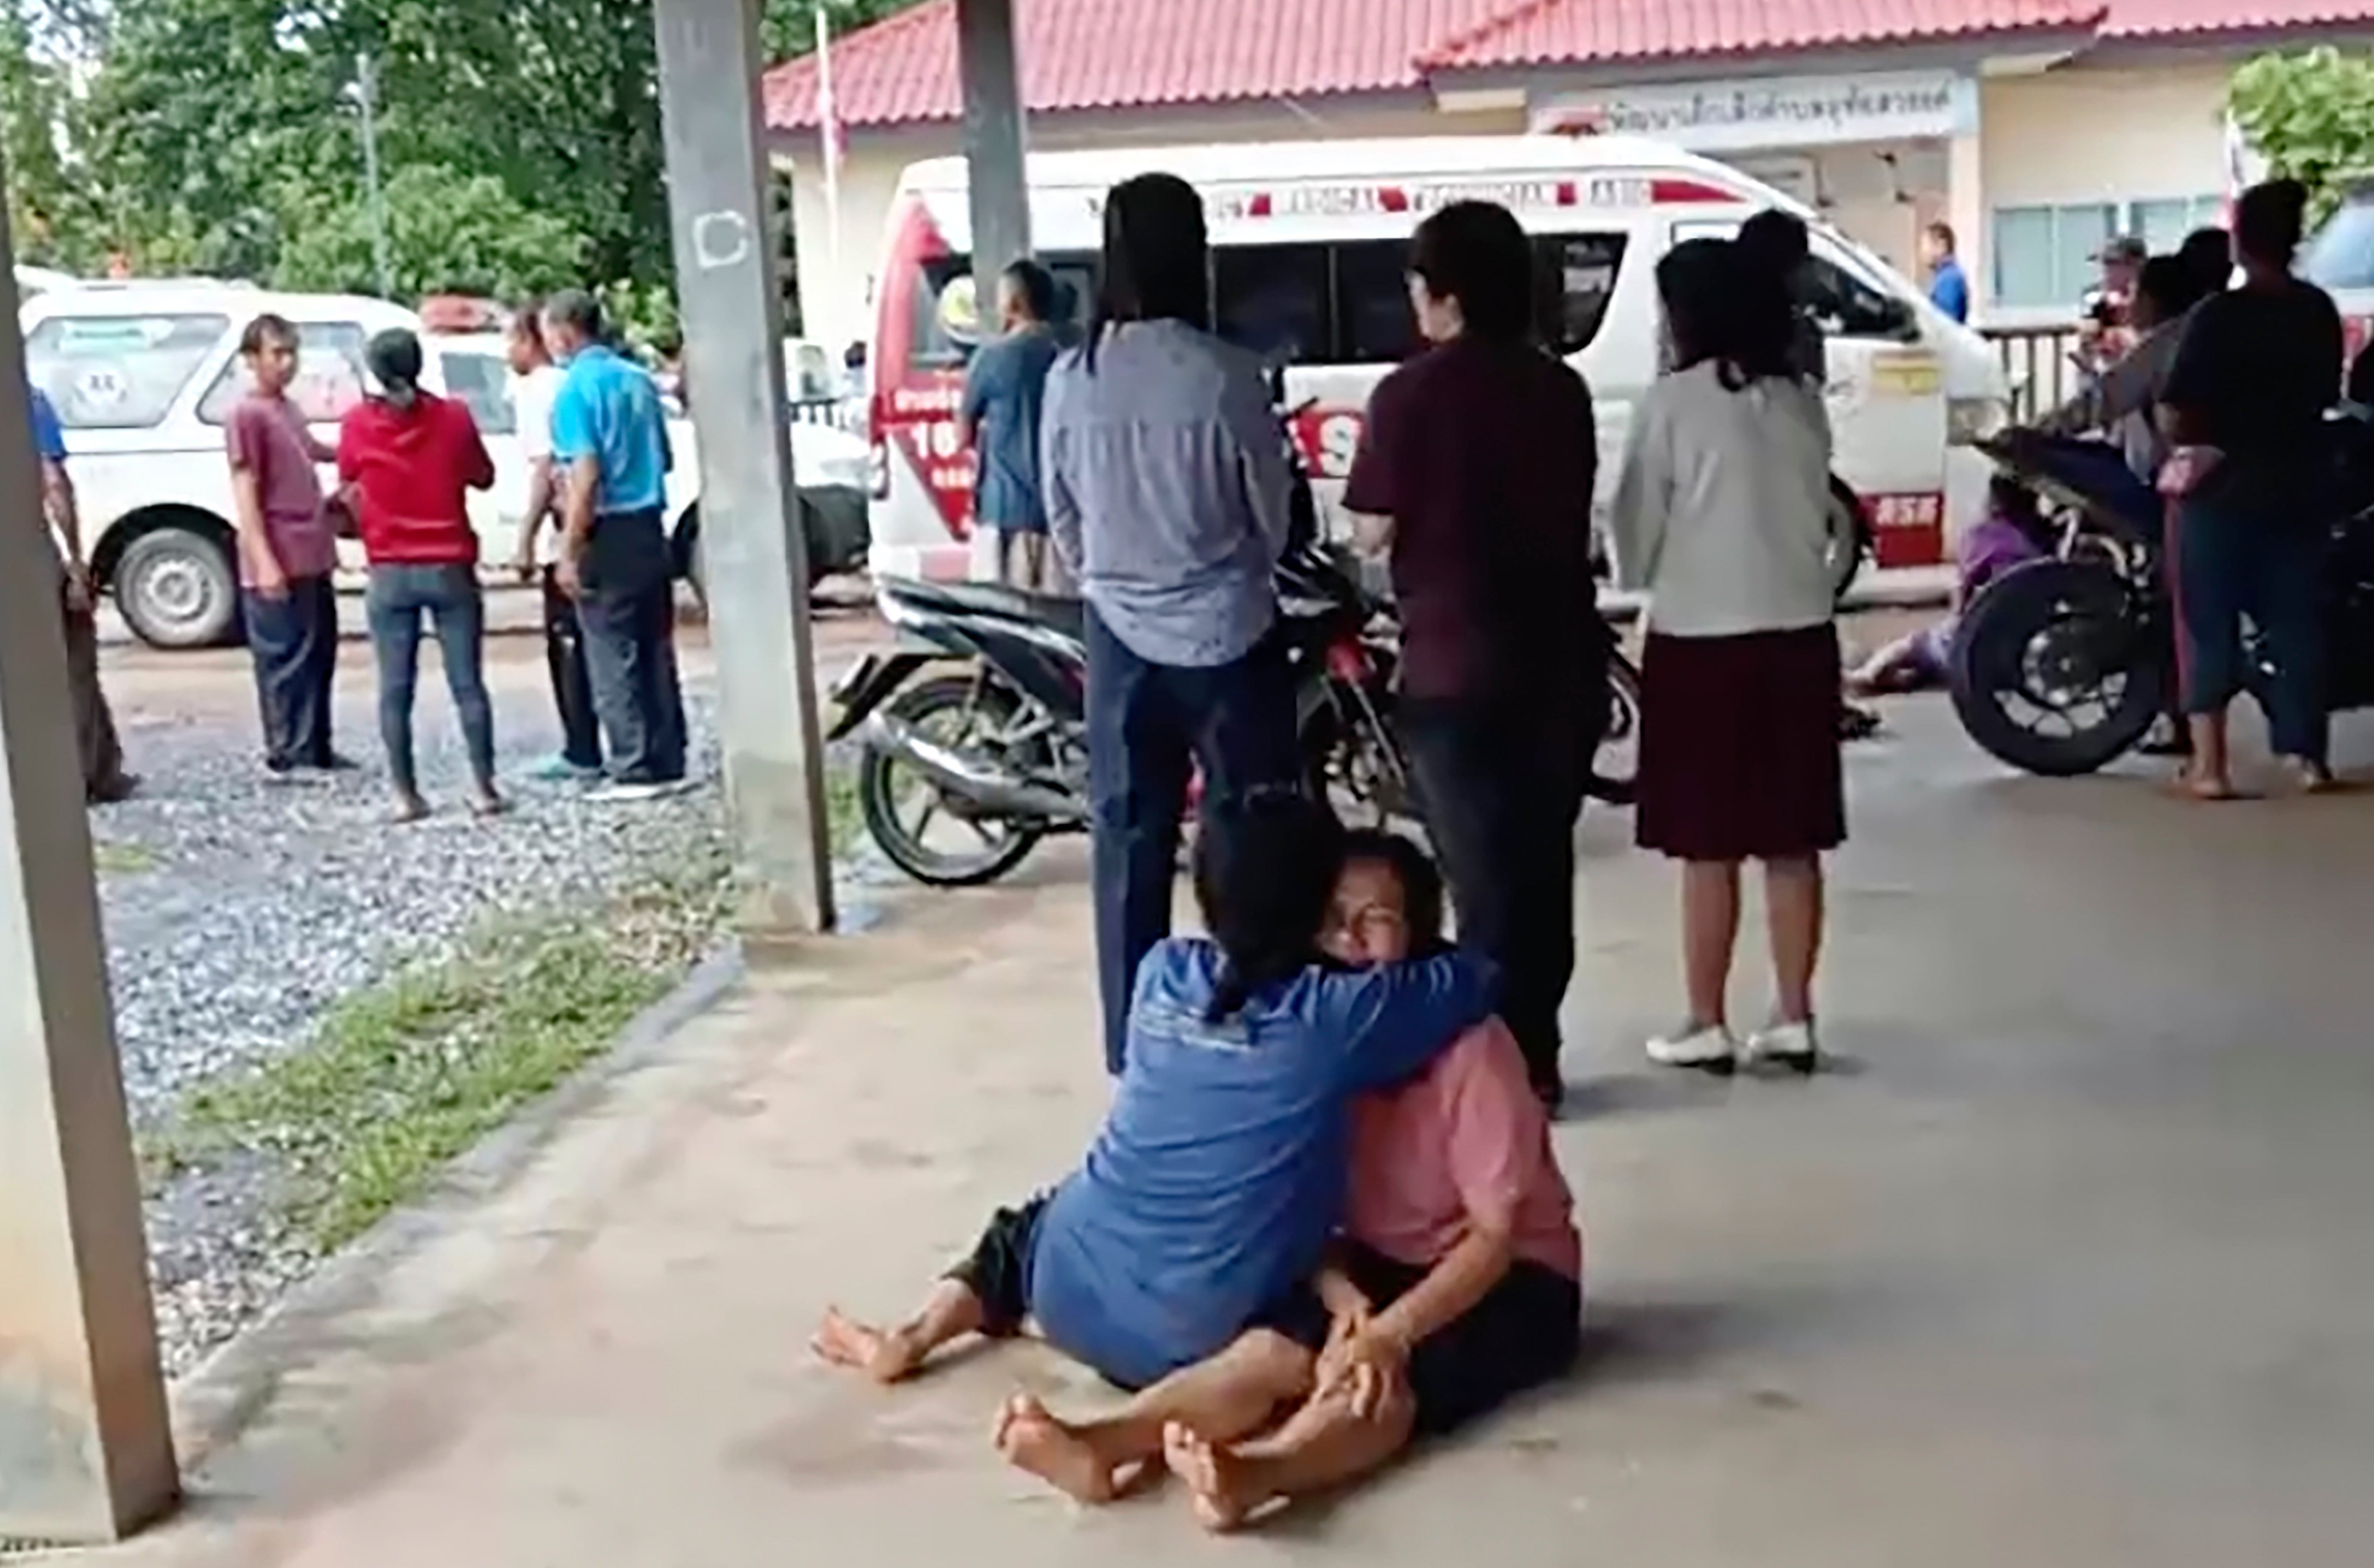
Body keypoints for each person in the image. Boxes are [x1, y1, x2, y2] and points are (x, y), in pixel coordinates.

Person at [809, 796, 1496, 1503]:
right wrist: (1398, 931)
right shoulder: (1337, 1018)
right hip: (1193, 1337)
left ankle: (912, 1337)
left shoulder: (1160, 971)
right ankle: (1131, 1440)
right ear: (1315, 911)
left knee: (1023, 1230)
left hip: (1063, 1286)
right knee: (1302, 1338)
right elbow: (1477, 976)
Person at [1161, 829, 1582, 1532]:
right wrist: (1341, 1290)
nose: (1349, 938)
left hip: (1511, 1278)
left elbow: (1496, 1238)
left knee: (1376, 1380)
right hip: (1374, 1261)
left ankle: (1258, 1471)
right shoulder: (1322, 1041)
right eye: (1330, 919)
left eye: (1375, 918)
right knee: (1268, 1349)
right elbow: (1312, 1203)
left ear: (1418, 930)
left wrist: (1388, 1333)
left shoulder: (1471, 1045)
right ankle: (1110, 1438)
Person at [1341, 200, 1605, 1111]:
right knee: (1540, 865)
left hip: (1455, 667)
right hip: (1562, 666)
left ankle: (1491, 1070)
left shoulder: (1405, 396)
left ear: (1441, 292)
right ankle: (1535, 1049)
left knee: (1478, 874)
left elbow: (1370, 531)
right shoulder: (1557, 389)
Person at [1042, 172, 1306, 1074]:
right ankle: (1259, 1014)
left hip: (1120, 635)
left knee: (1127, 838)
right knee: (1255, 834)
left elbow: (1061, 516)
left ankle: (1134, 1047)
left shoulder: (1072, 375)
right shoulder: (1226, 373)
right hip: (1233, 632)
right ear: (1194, 252)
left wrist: (1117, 582)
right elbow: (1271, 518)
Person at [1611, 239, 1842, 1075]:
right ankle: (1793, 1013)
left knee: (1708, 844)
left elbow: (1633, 530)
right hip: (1800, 635)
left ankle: (1704, 1019)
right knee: (1791, 838)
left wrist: (1642, 571)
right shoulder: (1801, 399)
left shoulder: (1672, 403)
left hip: (1700, 641)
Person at [2156, 179, 2345, 798]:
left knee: (2205, 622)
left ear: (2238, 242)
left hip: (2221, 490)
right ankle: (2307, 759)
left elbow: (2178, 408)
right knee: (2294, 622)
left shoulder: (2217, 316)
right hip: (2297, 484)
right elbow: (2323, 396)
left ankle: (2209, 767)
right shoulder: (2314, 311)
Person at [337, 328, 501, 822]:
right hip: (450, 564)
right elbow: (483, 475)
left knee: (395, 688)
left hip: (390, 569)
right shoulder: (453, 417)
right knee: (467, 683)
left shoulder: (357, 424)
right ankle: (483, 789)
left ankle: (406, 796)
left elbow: (347, 479)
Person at [542, 289, 690, 802]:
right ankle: (669, 756)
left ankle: (631, 764)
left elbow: (585, 475)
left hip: (606, 530)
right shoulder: (639, 381)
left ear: (564, 332)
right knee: (655, 646)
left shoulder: (574, 392)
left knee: (610, 649)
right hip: (649, 525)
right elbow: (665, 458)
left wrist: (569, 548)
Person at [226, 313, 345, 779]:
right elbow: (246, 489)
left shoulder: (286, 407)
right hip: (277, 553)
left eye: (292, 352)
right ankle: (288, 752)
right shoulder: (246, 415)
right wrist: (264, 560)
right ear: (252, 359)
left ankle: (316, 745)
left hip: (310, 550)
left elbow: (313, 450)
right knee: (284, 658)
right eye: (277, 353)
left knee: (318, 652)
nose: (287, 362)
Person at [505, 305, 603, 782]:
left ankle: (580, 749)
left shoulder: (538, 390)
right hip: (586, 529)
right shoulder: (565, 384)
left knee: (566, 643)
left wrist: (526, 538)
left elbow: (548, 470)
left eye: (513, 340)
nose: (509, 352)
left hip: (563, 535)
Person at [27, 384, 136, 803]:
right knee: (74, 665)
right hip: (29, 552)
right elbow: (54, 482)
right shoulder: (27, 400)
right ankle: (89, 775)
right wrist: (75, 560)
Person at [1846, 477, 2051, 696]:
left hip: (1978, 643)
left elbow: (1963, 594)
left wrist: (1957, 616)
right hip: (2029, 646)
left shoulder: (1979, 536)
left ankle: (1868, 675)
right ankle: (1908, 676)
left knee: (1916, 644)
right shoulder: (2042, 536)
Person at [961, 258, 1068, 593]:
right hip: (1063, 518)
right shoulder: (1071, 355)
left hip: (1005, 514)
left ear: (1014, 303)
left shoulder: (992, 358)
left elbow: (961, 433)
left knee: (1007, 621)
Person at [2078, 235, 2148, 378]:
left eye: (2113, 264)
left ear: (2137, 265)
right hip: (2108, 378)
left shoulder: (2152, 299)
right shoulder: (2097, 301)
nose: (2107, 271)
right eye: (2105, 264)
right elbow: (2087, 345)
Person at [1921, 220, 1972, 323]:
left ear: (1941, 245)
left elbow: (1946, 321)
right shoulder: (1945, 275)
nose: (1923, 252)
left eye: (1926, 245)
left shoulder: (1949, 278)